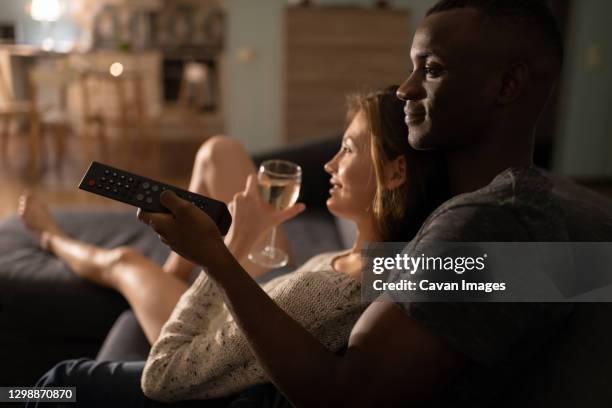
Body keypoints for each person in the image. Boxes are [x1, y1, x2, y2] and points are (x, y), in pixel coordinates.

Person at [135, 1, 604, 407]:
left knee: (62, 384)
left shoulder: (488, 222)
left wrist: (219, 256)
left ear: (507, 86)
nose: (404, 88)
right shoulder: (501, 210)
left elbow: (340, 394)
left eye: (432, 69)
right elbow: (447, 276)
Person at [26, 86, 447, 407]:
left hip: (224, 321)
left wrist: (230, 247)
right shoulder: (393, 258)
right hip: (269, 293)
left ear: (395, 174)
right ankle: (171, 272)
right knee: (220, 151)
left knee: (121, 269)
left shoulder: (337, 293)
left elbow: (163, 375)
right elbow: (502, 273)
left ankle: (51, 239)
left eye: (349, 149)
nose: (329, 164)